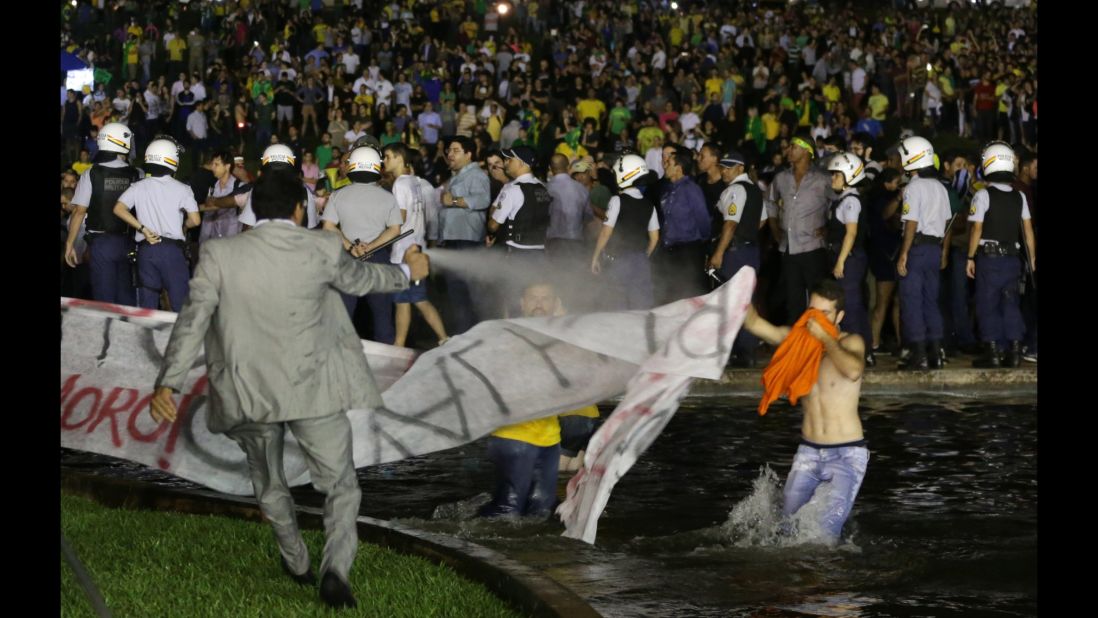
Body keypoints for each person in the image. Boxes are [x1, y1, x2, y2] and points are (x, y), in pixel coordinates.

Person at [149, 170, 430, 610]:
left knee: (269, 480)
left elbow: (193, 319)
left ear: (253, 207)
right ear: (301, 210)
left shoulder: (219, 253)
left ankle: (295, 559)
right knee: (341, 484)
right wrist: (408, 274)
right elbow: (363, 281)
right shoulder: (319, 246)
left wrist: (167, 382)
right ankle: (334, 569)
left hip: (248, 389)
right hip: (313, 386)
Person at [741, 279, 868, 544]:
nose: (815, 319)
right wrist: (739, 291)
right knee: (786, 533)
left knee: (823, 538)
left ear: (840, 316)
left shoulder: (851, 342)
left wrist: (824, 338)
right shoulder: (797, 340)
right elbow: (754, 323)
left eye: (824, 314)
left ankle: (827, 582)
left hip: (846, 455)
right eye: (812, 311)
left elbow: (853, 370)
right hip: (808, 452)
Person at [478, 282, 566, 518]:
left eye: (545, 298)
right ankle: (465, 543)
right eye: (533, 298)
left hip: (549, 437)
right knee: (507, 510)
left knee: (542, 510)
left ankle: (531, 553)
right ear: (522, 303)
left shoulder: (563, 336)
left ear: (556, 304)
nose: (539, 303)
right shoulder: (508, 334)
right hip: (513, 437)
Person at [321, 145, 403, 344]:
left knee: (343, 319)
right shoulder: (388, 197)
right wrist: (371, 247)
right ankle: (390, 369)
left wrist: (351, 247)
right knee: (383, 320)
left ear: (352, 168)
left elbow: (328, 226)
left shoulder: (338, 195)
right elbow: (395, 230)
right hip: (379, 260)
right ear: (377, 168)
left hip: (347, 259)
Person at [965, 142, 1036, 368]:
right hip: (1013, 259)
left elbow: (976, 229)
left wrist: (970, 256)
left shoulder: (982, 195)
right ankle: (1014, 350)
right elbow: (1027, 231)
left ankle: (993, 351)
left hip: (990, 258)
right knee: (1011, 303)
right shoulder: (1019, 197)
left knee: (988, 304)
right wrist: (1032, 258)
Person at [111, 138, 200, 311]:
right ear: (172, 160)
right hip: (172, 252)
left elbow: (118, 208)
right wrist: (184, 226)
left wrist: (142, 229)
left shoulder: (138, 186)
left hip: (146, 250)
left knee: (147, 307)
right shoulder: (183, 188)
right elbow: (195, 220)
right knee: (180, 305)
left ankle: (146, 338)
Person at [64, 122, 141, 306]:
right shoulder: (137, 173)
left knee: (105, 301)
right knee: (126, 299)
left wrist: (69, 244)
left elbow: (79, 211)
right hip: (129, 242)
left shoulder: (91, 173)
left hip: (101, 244)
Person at [382, 142, 449, 348]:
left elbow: (399, 219)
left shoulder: (400, 184)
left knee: (404, 300)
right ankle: (443, 338)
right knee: (416, 300)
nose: (384, 161)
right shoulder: (416, 183)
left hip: (404, 252)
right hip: (416, 248)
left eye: (388, 157)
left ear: (400, 159)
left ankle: (400, 345)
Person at [895, 136, 952, 370]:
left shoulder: (913, 187)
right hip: (934, 249)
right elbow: (947, 223)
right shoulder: (940, 187)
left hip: (917, 249)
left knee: (911, 301)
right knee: (931, 301)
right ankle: (936, 353)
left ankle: (918, 354)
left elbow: (911, 222)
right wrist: (944, 252)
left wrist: (904, 253)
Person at [707, 151, 769, 367]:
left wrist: (719, 252)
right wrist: (747, 235)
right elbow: (761, 221)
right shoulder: (754, 190)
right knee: (745, 301)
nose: (724, 170)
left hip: (735, 253)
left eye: (729, 167)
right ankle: (747, 350)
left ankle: (739, 351)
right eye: (723, 166)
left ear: (740, 169)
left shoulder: (736, 190)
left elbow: (730, 224)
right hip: (749, 251)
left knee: (732, 302)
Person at [766, 134, 833, 324]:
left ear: (806, 151)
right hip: (788, 247)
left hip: (813, 246)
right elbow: (770, 202)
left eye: (794, 147)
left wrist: (829, 227)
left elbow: (837, 204)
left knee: (817, 296)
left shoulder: (822, 178)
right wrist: (774, 228)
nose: (789, 151)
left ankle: (817, 340)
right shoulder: (781, 178)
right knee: (792, 297)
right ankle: (797, 343)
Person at [590, 154, 660, 310]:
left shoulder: (616, 201)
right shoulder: (649, 205)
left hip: (619, 261)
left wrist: (595, 256)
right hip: (641, 261)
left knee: (617, 305)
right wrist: (643, 255)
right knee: (641, 306)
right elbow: (654, 238)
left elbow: (605, 233)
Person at [825, 152, 874, 366]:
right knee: (853, 305)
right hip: (847, 256)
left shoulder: (851, 201)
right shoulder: (844, 199)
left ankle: (857, 352)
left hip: (850, 259)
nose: (832, 178)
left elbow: (851, 233)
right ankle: (865, 350)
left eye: (836, 174)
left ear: (850, 176)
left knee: (851, 306)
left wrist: (840, 261)